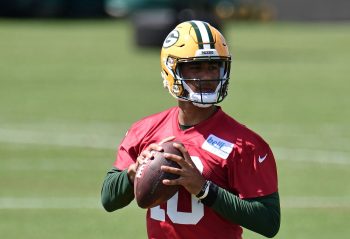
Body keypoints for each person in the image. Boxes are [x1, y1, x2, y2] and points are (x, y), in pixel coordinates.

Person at [101, 20, 280, 239]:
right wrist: (133, 173)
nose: (207, 77)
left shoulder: (245, 145)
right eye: (195, 67)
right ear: (172, 70)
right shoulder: (145, 130)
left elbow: (269, 221)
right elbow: (108, 199)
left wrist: (203, 188)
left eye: (213, 66)